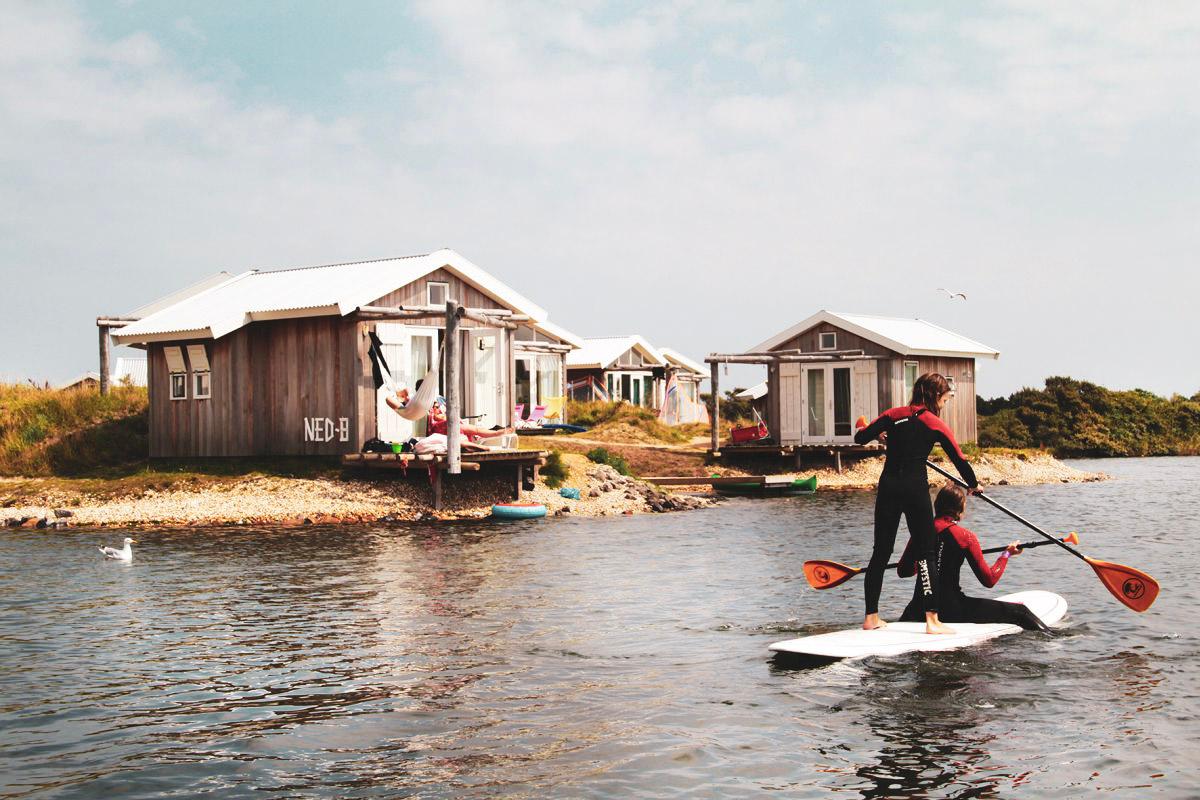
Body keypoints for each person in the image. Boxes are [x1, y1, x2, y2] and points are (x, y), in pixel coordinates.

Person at [854, 372, 978, 634]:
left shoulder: (893, 414)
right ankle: (932, 620)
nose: (944, 405)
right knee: (926, 553)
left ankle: (871, 618)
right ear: (935, 396)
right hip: (914, 489)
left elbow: (861, 438)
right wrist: (973, 484)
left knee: (881, 552)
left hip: (888, 487)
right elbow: (959, 459)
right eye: (944, 400)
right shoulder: (935, 424)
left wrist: (880, 435)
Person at [896, 484, 1049, 631]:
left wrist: (927, 560)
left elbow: (903, 571)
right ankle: (1057, 638)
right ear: (960, 509)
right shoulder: (966, 537)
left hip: (917, 609)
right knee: (1021, 612)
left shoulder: (921, 531)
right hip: (952, 609)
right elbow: (989, 580)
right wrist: (1006, 554)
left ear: (937, 505)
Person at [386, 382, 514, 442]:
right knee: (471, 428)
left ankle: (495, 433)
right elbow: (435, 417)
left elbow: (442, 412)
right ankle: (496, 433)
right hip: (439, 427)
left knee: (470, 427)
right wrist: (399, 394)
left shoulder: (434, 399)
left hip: (446, 423)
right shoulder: (414, 403)